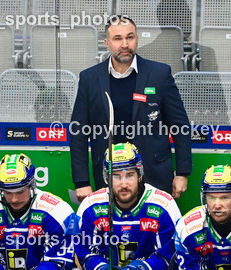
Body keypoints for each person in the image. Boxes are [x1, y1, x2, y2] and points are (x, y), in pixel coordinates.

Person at [70, 15, 192, 201]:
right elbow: (78, 133)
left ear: (137, 39)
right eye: (117, 39)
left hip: (154, 174)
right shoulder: (89, 79)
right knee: (112, 229)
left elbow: (180, 126)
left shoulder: (159, 74)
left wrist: (182, 173)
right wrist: (81, 182)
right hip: (108, 175)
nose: (125, 44)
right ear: (107, 43)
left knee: (154, 228)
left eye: (130, 37)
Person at [76, 143, 181, 270]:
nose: (124, 184)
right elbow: (84, 253)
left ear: (140, 174)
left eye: (130, 175)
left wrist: (143, 269)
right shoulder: (90, 207)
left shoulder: (164, 206)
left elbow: (171, 257)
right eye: (116, 176)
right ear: (106, 177)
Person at [0, 153, 77, 270]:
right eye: (8, 192)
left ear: (32, 184)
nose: (14, 199)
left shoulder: (57, 212)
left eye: (20, 191)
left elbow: (57, 263)